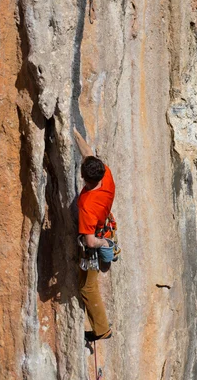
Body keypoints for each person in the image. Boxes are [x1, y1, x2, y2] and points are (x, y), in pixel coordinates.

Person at [74, 128, 115, 341]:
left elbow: (90, 240)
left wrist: (104, 243)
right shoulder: (105, 174)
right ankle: (101, 328)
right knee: (86, 286)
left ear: (84, 179)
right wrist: (73, 132)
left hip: (95, 241)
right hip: (104, 227)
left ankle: (102, 330)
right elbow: (87, 152)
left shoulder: (88, 205)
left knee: (87, 288)